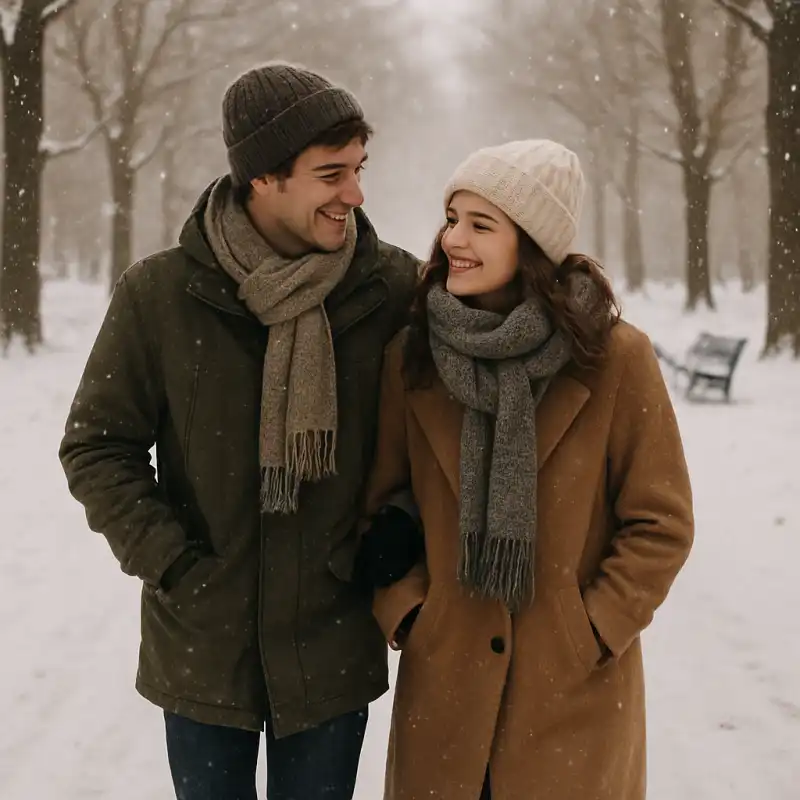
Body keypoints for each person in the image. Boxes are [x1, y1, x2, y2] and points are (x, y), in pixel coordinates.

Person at [58, 62, 420, 800]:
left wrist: (397, 529)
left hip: (331, 638)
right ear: (262, 178)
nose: (354, 193)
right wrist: (173, 564)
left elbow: (440, 444)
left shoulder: (393, 291)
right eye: (330, 174)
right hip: (200, 643)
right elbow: (97, 443)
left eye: (358, 169)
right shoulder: (161, 295)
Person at [358, 139, 694, 799]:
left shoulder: (615, 359)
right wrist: (409, 612)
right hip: (446, 690)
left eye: (481, 225)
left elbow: (661, 522)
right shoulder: (415, 355)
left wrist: (593, 628)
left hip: (570, 700)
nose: (455, 239)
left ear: (534, 246)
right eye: (453, 218)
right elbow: (381, 502)